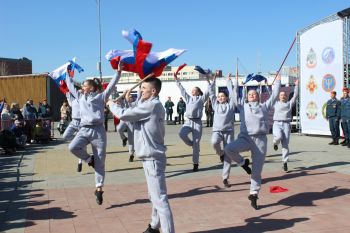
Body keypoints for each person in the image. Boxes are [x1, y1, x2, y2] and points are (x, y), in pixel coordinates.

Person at [108, 77, 175, 233]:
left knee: (160, 199)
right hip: (150, 157)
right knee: (154, 196)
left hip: (152, 157)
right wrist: (126, 100)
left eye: (144, 88)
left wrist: (112, 105)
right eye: (140, 88)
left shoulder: (152, 105)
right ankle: (154, 226)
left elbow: (126, 115)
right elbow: (135, 111)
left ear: (153, 91)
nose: (140, 90)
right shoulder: (150, 105)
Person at [66, 64, 121, 205]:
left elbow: (111, 85)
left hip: (98, 131)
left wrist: (118, 72)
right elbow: (70, 86)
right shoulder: (79, 96)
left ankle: (99, 188)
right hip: (84, 129)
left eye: (84, 85)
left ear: (91, 88)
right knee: (72, 147)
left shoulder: (101, 97)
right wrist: (68, 74)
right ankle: (88, 159)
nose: (82, 87)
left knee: (100, 161)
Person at [225, 75, 281, 210]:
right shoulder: (243, 106)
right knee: (228, 149)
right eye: (249, 94)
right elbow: (233, 96)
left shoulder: (264, 106)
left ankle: (253, 194)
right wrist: (228, 82)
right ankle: (242, 162)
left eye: (254, 94)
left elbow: (274, 96)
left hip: (260, 139)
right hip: (245, 138)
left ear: (258, 96)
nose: (252, 95)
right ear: (247, 96)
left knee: (256, 170)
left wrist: (278, 81)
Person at [174, 71, 211, 172]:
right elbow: (182, 90)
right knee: (182, 134)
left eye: (195, 90)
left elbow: (208, 90)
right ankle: (192, 144)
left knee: (197, 143)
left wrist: (208, 80)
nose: (192, 91)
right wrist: (177, 80)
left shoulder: (201, 99)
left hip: (197, 123)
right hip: (188, 121)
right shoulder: (188, 98)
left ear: (198, 92)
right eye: (192, 90)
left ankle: (195, 163)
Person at [210, 73, 237, 187]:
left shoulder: (231, 105)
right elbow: (211, 93)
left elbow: (233, 93)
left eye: (222, 96)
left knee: (228, 155)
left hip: (229, 132)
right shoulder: (215, 105)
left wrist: (229, 81)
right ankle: (220, 153)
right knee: (214, 142)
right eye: (219, 96)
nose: (220, 98)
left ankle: (225, 178)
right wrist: (213, 79)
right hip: (217, 131)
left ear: (226, 97)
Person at [272, 79, 299, 172]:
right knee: (278, 137)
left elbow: (295, 95)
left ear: (286, 96)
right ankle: (275, 143)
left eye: (284, 95)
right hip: (277, 123)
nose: (283, 96)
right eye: (281, 95)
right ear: (279, 97)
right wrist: (275, 83)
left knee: (285, 145)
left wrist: (296, 85)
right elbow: (273, 94)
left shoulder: (289, 104)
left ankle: (285, 162)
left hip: (286, 124)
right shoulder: (275, 103)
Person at [63, 90, 84, 173]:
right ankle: (77, 139)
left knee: (82, 146)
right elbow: (67, 92)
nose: (78, 93)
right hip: (74, 121)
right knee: (65, 136)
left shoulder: (84, 100)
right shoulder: (73, 100)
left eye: (80, 92)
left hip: (82, 122)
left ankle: (80, 163)